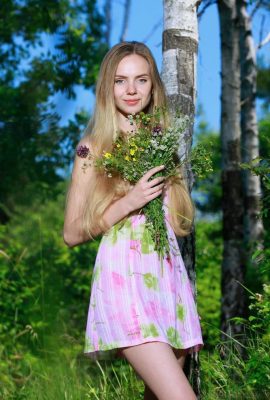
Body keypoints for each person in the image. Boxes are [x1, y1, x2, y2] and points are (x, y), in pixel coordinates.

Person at [63, 41, 204, 400]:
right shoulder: (90, 147)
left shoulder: (163, 145)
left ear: (153, 87)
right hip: (124, 283)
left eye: (141, 80)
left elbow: (175, 225)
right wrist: (130, 200)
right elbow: (72, 233)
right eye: (120, 80)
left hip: (166, 283)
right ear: (107, 87)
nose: (131, 90)